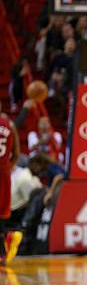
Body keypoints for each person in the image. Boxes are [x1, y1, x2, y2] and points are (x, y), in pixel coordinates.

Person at [0, 102, 20, 265]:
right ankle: (5, 243)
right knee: (2, 211)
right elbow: (17, 153)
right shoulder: (10, 124)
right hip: (4, 170)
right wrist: (9, 165)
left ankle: (7, 240)